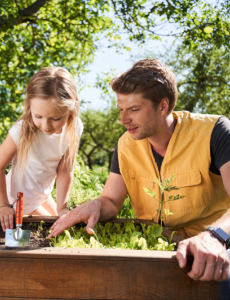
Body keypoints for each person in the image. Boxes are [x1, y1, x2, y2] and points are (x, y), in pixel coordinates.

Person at [49, 59, 230, 293]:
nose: (124, 120)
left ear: (163, 105)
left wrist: (215, 236)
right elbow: (112, 202)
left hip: (217, 245)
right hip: (158, 248)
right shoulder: (125, 145)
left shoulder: (215, 132)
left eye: (134, 110)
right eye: (121, 110)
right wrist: (95, 205)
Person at [0, 66, 83, 231]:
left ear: (71, 109)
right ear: (29, 106)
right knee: (55, 231)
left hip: (42, 196)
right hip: (19, 199)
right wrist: (3, 206)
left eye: (55, 118)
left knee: (68, 225)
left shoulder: (74, 127)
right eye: (38, 116)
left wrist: (62, 208)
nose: (46, 125)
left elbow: (64, 169)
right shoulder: (21, 129)